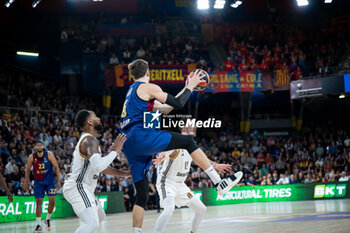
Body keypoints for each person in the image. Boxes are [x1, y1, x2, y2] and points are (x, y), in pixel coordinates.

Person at [120, 59, 243, 233]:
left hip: (129, 142)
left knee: (141, 195)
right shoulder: (148, 87)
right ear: (148, 72)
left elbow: (167, 108)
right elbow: (178, 105)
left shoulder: (132, 93)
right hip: (141, 135)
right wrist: (191, 86)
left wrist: (185, 88)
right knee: (187, 142)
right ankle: (219, 183)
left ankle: (136, 231)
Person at [153, 126, 232, 233]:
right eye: (191, 126)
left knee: (201, 209)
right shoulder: (176, 143)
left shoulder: (191, 146)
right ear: (183, 128)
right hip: (167, 182)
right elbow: (168, 152)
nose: (195, 128)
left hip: (181, 185)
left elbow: (203, 159)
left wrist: (215, 165)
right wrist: (162, 155)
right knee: (169, 209)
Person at [63, 109, 130, 233]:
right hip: (78, 186)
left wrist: (124, 174)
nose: (99, 118)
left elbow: (100, 167)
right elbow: (99, 166)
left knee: (100, 216)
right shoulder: (89, 141)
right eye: (95, 116)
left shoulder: (90, 140)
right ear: (89, 121)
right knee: (92, 222)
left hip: (85, 188)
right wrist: (115, 151)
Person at [24, 141, 61, 232]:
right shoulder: (31, 157)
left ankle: (47, 218)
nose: (39, 146)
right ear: (35, 147)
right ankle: (38, 225)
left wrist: (59, 181)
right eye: (37, 145)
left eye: (41, 145)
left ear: (43, 146)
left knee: (52, 200)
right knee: (38, 202)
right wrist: (26, 181)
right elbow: (28, 169)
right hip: (38, 182)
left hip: (50, 182)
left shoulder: (49, 154)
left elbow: (56, 167)